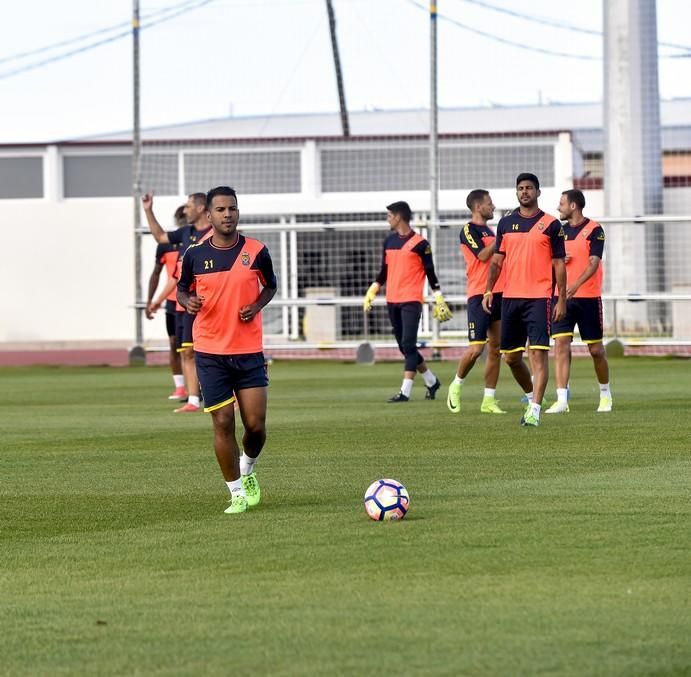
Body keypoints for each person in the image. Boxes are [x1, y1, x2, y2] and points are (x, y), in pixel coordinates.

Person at [178, 186, 277, 515]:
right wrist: (187, 300)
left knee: (256, 426)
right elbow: (182, 290)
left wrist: (257, 304)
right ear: (209, 215)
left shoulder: (257, 251)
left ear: (238, 212)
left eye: (232, 209)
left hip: (248, 351)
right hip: (210, 352)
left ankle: (247, 467)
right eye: (220, 210)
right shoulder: (194, 254)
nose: (227, 215)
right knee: (222, 421)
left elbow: (270, 286)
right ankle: (236, 493)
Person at [482, 173, 567, 427]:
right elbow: (496, 261)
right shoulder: (506, 224)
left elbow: (559, 264)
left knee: (538, 355)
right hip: (510, 299)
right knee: (510, 357)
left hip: (539, 299)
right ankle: (532, 396)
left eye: (529, 188)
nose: (525, 192)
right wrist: (488, 290)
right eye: (520, 188)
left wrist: (561, 298)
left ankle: (535, 409)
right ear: (516, 192)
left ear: (538, 192)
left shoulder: (552, 225)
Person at [363, 200, 452, 402]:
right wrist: (373, 289)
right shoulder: (388, 242)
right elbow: (383, 271)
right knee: (405, 347)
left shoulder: (421, 244)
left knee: (408, 344)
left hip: (411, 300)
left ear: (399, 216)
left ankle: (405, 391)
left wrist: (438, 297)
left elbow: (431, 273)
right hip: (392, 300)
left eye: (389, 215)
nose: (388, 219)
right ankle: (431, 381)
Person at [142, 192, 211, 413]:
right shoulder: (185, 233)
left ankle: (234, 395)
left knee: (215, 352)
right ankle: (193, 400)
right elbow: (161, 237)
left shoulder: (216, 234)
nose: (184, 210)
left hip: (210, 303)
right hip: (186, 303)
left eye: (188, 206)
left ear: (201, 208)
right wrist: (148, 210)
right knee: (187, 351)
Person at [545, 189, 612, 414]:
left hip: (588, 299)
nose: (558, 207)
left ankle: (605, 394)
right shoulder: (558, 231)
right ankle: (562, 399)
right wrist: (557, 260)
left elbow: (593, 263)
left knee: (595, 350)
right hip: (561, 298)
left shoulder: (595, 230)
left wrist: (575, 285)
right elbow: (548, 261)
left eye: (561, 203)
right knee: (561, 345)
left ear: (573, 206)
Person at [447, 190, 506, 414]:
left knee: (496, 348)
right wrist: (502, 235)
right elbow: (482, 255)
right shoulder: (468, 230)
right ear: (478, 206)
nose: (493, 206)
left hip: (498, 293)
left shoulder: (490, 230)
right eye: (489, 204)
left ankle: (488, 400)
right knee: (475, 349)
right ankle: (456, 385)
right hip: (478, 295)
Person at [145, 234, 184, 400]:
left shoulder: (198, 242)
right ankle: (180, 387)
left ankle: (199, 389)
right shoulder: (164, 246)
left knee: (195, 348)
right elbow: (156, 273)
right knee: (174, 343)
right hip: (172, 301)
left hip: (192, 301)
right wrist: (150, 300)